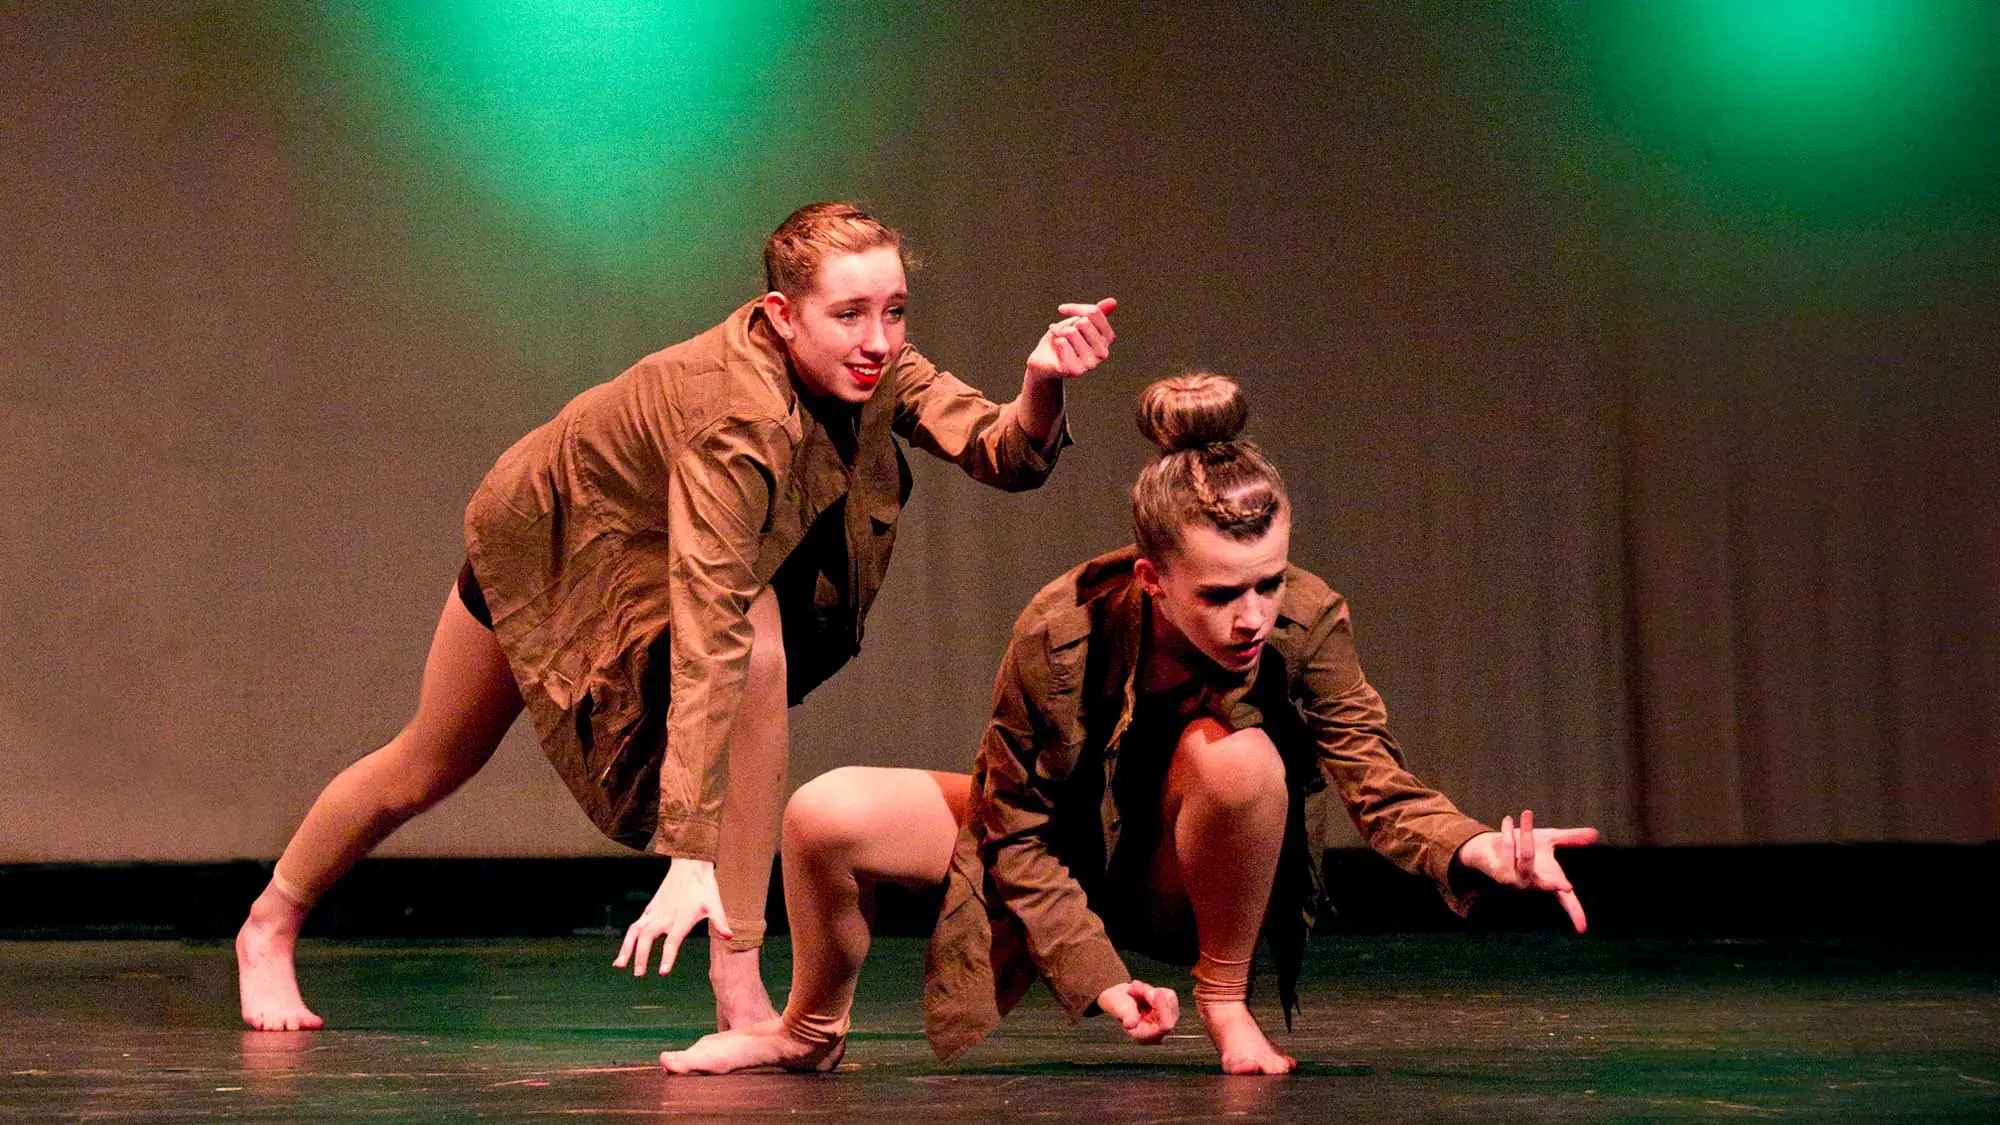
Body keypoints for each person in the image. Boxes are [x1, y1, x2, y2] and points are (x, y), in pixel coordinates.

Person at [235, 202, 1119, 1032]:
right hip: (557, 548)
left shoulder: (879, 364)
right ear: (782, 315)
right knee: (426, 762)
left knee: (761, 648)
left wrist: (1041, 384)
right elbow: (708, 631)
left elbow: (1004, 451)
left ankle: (737, 977)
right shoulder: (735, 417)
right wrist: (687, 854)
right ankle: (268, 923)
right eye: (850, 315)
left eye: (895, 310)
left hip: (680, 567)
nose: (878, 340)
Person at [659, 371, 1599, 1075]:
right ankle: (806, 1032)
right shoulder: (1061, 625)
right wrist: (1099, 975)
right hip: (1066, 863)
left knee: (1235, 761)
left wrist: (1478, 849)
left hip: (1183, 881)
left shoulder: (1307, 621)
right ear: (1152, 578)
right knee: (823, 811)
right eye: (1223, 592)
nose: (1253, 615)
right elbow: (1014, 827)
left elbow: (1374, 778)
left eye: (1269, 582)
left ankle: (1225, 1006)